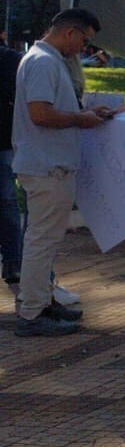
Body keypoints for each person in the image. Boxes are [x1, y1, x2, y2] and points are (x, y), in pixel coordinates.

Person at [13, 9, 113, 337]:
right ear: (70, 32)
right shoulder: (43, 62)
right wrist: (80, 119)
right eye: (84, 40)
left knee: (45, 238)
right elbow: (40, 113)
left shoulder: (45, 59)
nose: (84, 48)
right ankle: (31, 311)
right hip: (46, 166)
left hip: (48, 164)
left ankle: (41, 300)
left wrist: (81, 113)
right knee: (42, 240)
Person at [1, 42, 24, 285]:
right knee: (7, 202)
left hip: (3, 142)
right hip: (5, 142)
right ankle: (13, 261)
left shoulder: (10, 59)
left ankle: (13, 261)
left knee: (6, 201)